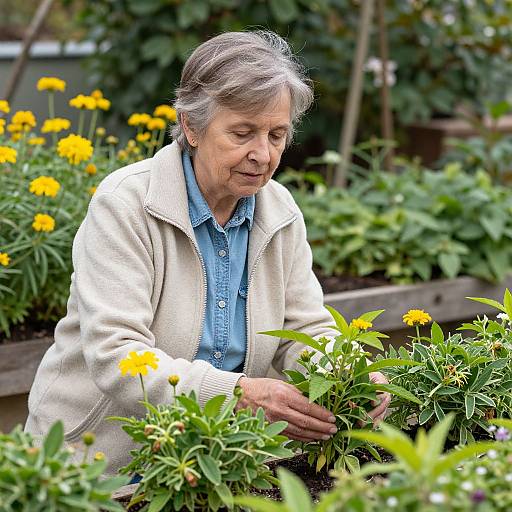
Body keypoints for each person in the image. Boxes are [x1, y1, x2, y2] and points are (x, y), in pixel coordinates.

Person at [25, 30, 389, 474]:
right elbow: (116, 355)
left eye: (277, 135)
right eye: (242, 133)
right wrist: (239, 394)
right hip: (100, 461)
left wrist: (349, 373)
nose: (263, 154)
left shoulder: (279, 210)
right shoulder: (125, 203)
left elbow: (305, 327)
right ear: (191, 126)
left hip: (221, 460)